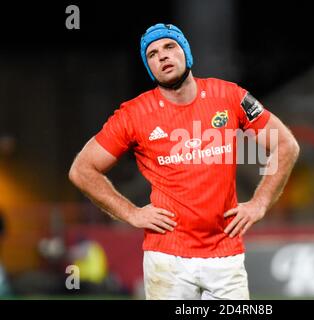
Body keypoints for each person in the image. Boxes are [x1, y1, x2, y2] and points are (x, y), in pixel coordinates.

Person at [69, 23, 300, 300]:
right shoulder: (133, 114)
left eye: (169, 47)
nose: (162, 56)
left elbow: (285, 144)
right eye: (152, 54)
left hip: (225, 256)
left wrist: (260, 202)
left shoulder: (229, 96)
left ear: (186, 53)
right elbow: (82, 170)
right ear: (149, 67)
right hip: (167, 260)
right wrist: (131, 213)